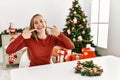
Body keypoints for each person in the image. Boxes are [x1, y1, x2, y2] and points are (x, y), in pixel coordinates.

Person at [6, 14, 75, 67]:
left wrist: (60, 34)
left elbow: (71, 46)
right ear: (33, 27)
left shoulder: (53, 39)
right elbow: (9, 51)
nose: (39, 24)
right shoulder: (28, 40)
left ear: (45, 23)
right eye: (36, 23)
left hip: (47, 69)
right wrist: (22, 36)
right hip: (33, 70)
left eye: (41, 21)